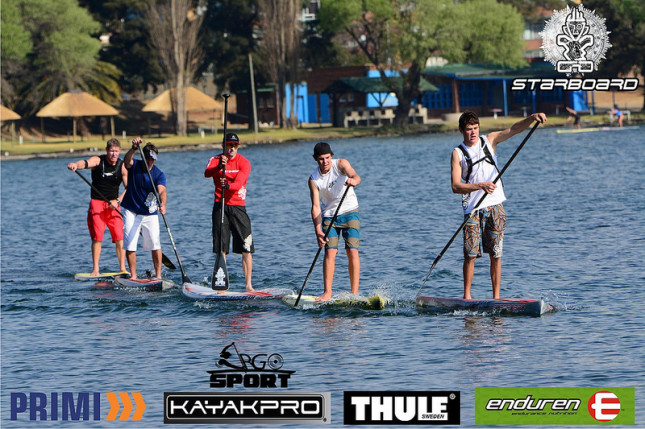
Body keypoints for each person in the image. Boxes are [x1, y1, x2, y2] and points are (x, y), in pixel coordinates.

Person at [451, 111, 547, 300]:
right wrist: (480, 185)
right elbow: (455, 186)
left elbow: (513, 129)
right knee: (470, 255)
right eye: (469, 129)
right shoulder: (457, 153)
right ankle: (467, 298)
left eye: (476, 128)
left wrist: (531, 118)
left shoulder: (490, 140)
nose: (473, 133)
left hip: (496, 206)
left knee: (496, 254)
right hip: (473, 209)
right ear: (461, 130)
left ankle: (496, 298)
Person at [67, 138, 128, 276]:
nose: (114, 154)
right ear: (107, 150)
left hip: (113, 205)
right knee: (97, 237)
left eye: (116, 151)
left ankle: (122, 268)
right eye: (111, 151)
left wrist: (118, 201)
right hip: (97, 204)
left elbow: (128, 188)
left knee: (119, 237)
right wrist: (76, 165)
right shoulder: (98, 160)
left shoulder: (122, 166)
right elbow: (85, 163)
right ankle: (95, 269)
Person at [308, 142, 361, 301]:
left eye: (327, 158)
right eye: (321, 159)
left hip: (350, 211)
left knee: (352, 251)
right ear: (316, 160)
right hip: (329, 216)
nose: (325, 162)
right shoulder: (314, 179)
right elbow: (316, 207)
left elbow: (356, 176)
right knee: (330, 252)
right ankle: (327, 292)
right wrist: (318, 230)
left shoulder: (341, 164)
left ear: (331, 156)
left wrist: (353, 181)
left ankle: (354, 293)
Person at [204, 133, 255, 292]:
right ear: (223, 146)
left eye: (235, 145)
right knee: (221, 247)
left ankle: (248, 286)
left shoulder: (244, 162)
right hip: (220, 206)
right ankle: (221, 287)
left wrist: (228, 186)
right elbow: (207, 173)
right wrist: (219, 166)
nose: (232, 148)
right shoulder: (215, 159)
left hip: (238, 207)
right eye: (229, 145)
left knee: (246, 247)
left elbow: (239, 183)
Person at [121, 138, 167, 279]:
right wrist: (134, 148)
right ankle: (133, 276)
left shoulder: (159, 174)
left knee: (155, 242)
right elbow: (126, 160)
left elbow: (162, 190)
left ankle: (158, 276)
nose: (149, 162)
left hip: (150, 212)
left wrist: (163, 203)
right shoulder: (134, 165)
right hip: (131, 210)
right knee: (130, 242)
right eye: (147, 158)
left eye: (152, 159)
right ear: (143, 157)